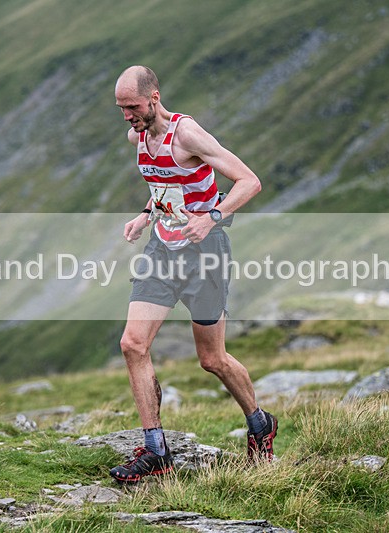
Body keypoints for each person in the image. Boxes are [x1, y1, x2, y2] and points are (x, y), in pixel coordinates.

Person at [109, 66, 278, 483]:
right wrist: (146, 214)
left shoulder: (187, 135)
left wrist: (213, 217)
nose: (127, 116)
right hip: (163, 251)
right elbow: (165, 184)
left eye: (132, 107)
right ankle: (156, 451)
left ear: (154, 97)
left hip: (206, 254)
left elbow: (249, 180)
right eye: (121, 108)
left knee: (212, 359)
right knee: (133, 344)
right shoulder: (138, 138)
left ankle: (259, 423)